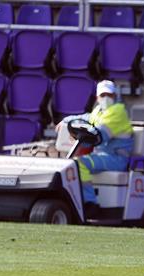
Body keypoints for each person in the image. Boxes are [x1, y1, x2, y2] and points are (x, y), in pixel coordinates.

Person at [56, 80, 134, 218]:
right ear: (97, 97)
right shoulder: (99, 111)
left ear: (114, 96)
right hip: (103, 156)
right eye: (103, 95)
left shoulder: (117, 111)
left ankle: (90, 204)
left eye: (109, 95)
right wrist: (66, 121)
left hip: (116, 158)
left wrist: (81, 130)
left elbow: (99, 134)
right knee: (71, 162)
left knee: (79, 164)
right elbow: (85, 118)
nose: (106, 98)